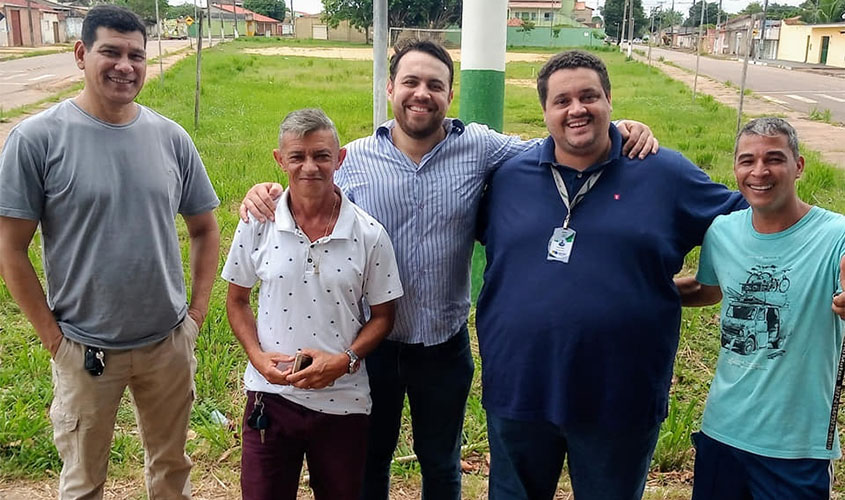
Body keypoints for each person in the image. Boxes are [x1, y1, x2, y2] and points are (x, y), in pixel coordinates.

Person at [240, 39, 658, 499]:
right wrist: (262, 193)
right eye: (411, 82)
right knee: (368, 463)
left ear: (449, 95)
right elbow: (303, 183)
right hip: (370, 345)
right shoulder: (352, 158)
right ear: (390, 88)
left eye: (435, 85)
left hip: (443, 346)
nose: (422, 93)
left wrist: (618, 128)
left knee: (441, 465)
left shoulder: (480, 147)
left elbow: (558, 143)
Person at [475, 49, 747, 500]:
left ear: (610, 102)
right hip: (519, 386)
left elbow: (750, 220)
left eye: (589, 96)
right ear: (544, 111)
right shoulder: (508, 176)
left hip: (620, 393)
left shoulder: (664, 173)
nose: (576, 109)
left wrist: (833, 254)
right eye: (562, 101)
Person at [0, 6, 220, 499]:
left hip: (167, 346)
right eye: (111, 52)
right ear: (81, 54)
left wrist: (195, 319)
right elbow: (10, 249)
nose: (125, 66)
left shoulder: (171, 138)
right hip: (84, 350)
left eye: (136, 55)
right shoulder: (37, 140)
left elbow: (205, 229)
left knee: (171, 473)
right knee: (82, 482)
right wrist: (54, 339)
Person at [222, 108, 403, 500]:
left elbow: (384, 315)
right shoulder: (257, 223)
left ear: (340, 159)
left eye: (321, 155)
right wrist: (256, 356)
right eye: (297, 156)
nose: (310, 167)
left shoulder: (369, 234)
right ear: (279, 160)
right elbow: (237, 300)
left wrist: (346, 360)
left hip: (344, 401)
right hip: (270, 398)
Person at [675, 117, 845, 499]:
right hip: (722, 433)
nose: (759, 172)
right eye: (747, 160)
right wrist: (639, 291)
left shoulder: (836, 235)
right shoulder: (722, 231)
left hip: (797, 448)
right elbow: (709, 289)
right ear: (735, 168)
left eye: (774, 159)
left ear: (798, 165)